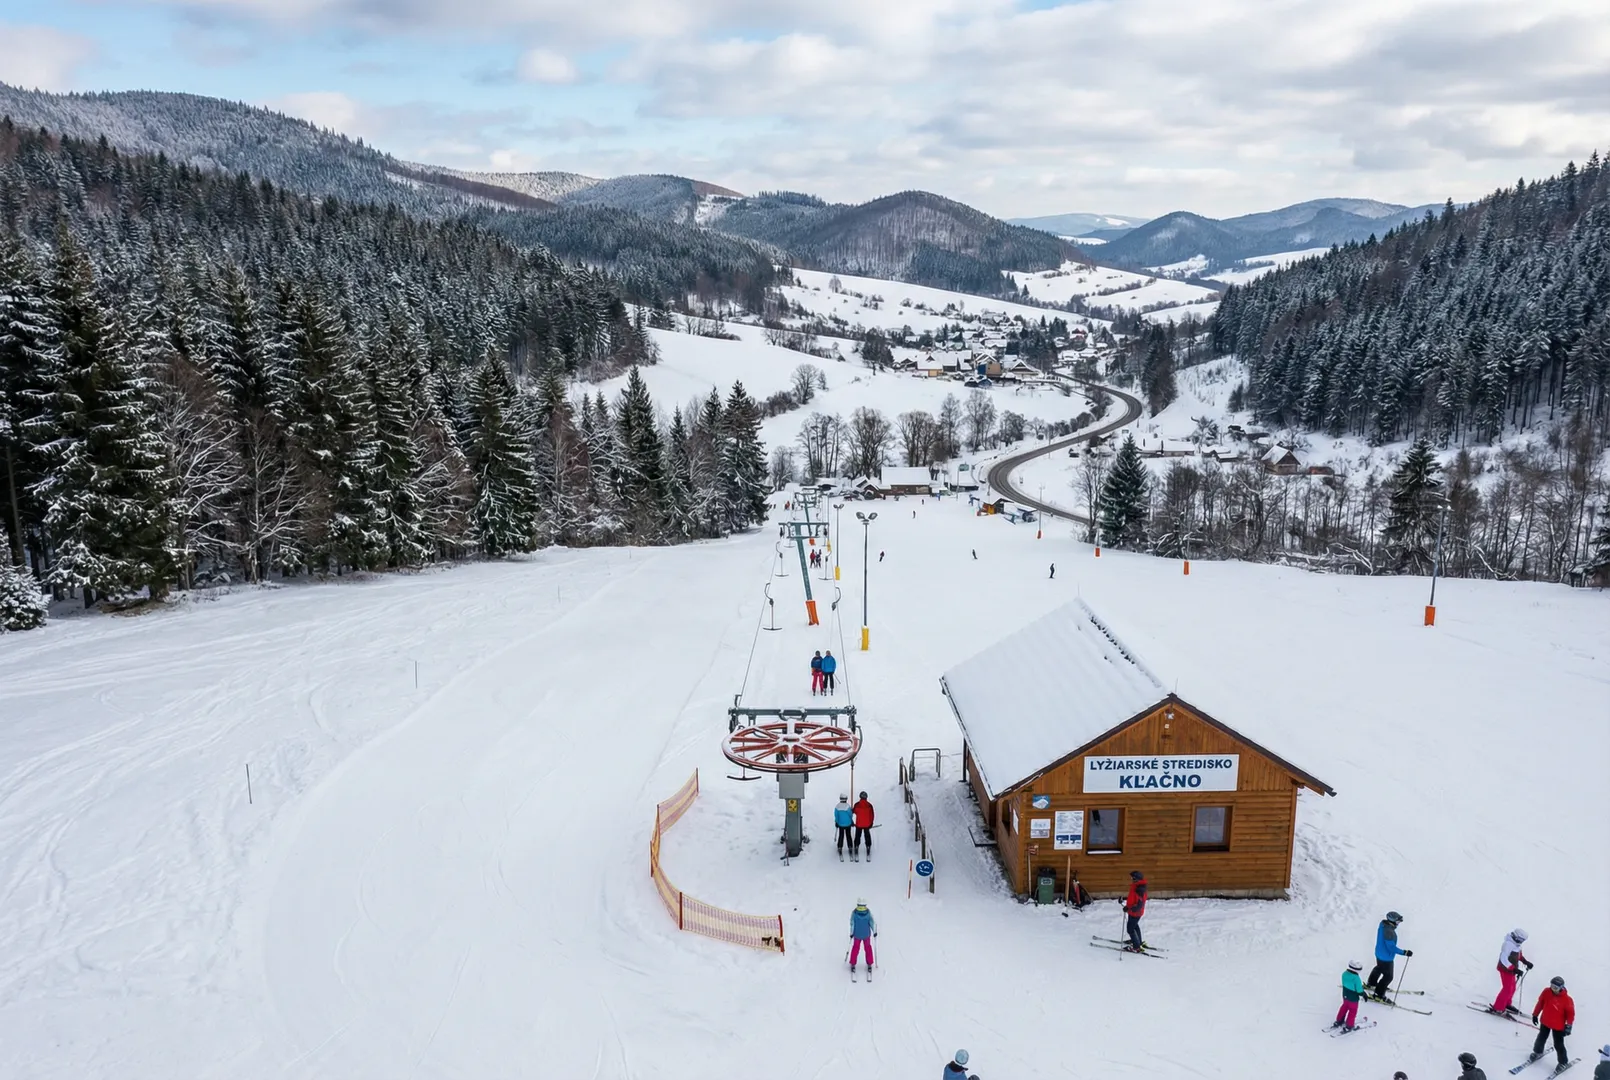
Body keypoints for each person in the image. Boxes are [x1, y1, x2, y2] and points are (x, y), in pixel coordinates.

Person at [1528, 976, 1574, 1070]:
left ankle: (1563, 1062)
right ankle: (1537, 1051)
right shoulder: (1546, 992)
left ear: (1561, 987)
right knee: (1541, 1038)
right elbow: (1540, 1003)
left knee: (1558, 1044)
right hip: (1545, 1021)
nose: (1553, 989)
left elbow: (1570, 1014)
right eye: (1552, 986)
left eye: (1556, 988)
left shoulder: (1567, 999)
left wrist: (1569, 1026)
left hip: (1558, 1026)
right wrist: (1535, 1014)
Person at [1366, 911, 1410, 999]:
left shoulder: (1383, 924)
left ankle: (1372, 983)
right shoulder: (1389, 932)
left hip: (1379, 953)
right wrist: (1404, 952)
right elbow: (1391, 948)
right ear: (1392, 921)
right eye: (1397, 921)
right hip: (1386, 957)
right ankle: (1378, 994)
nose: (1398, 924)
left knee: (1378, 968)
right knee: (1388, 977)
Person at [1491, 928, 1534, 1015]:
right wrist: (1513, 968)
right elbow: (1503, 959)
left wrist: (1525, 962)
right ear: (1515, 936)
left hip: (1512, 970)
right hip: (1505, 969)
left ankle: (1506, 1003)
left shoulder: (1517, 945)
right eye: (1520, 939)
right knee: (1507, 989)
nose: (1521, 941)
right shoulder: (1508, 944)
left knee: (1512, 988)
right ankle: (1498, 1007)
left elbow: (1519, 955)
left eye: (1523, 940)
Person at [1333, 960, 1366, 1031]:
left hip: (1345, 995)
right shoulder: (1356, 978)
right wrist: (1363, 994)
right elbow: (1359, 990)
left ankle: (1339, 1020)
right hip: (1353, 998)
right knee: (1352, 1011)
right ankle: (1349, 1025)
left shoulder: (1344, 974)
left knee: (1344, 1006)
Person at [849, 900, 876, 975]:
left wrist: (851, 933)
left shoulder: (854, 913)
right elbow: (872, 922)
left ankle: (853, 963)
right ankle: (869, 963)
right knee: (868, 948)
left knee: (855, 948)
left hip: (857, 935)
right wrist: (875, 931)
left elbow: (852, 924)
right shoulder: (868, 913)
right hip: (866, 935)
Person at [1123, 869, 1148, 951]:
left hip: (1135, 913)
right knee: (1135, 926)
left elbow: (1138, 906)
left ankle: (1136, 947)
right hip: (1133, 912)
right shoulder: (1136, 886)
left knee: (1130, 929)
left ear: (1136, 879)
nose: (1131, 879)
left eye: (1132, 878)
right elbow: (1132, 898)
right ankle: (1138, 941)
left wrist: (1129, 908)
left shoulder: (1139, 890)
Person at [852, 791, 875, 859]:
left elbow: (854, 812)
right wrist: (871, 823)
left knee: (858, 836)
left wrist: (852, 810)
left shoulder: (857, 805)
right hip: (867, 824)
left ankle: (856, 846)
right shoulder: (869, 805)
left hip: (859, 824)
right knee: (867, 835)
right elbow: (872, 815)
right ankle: (868, 846)